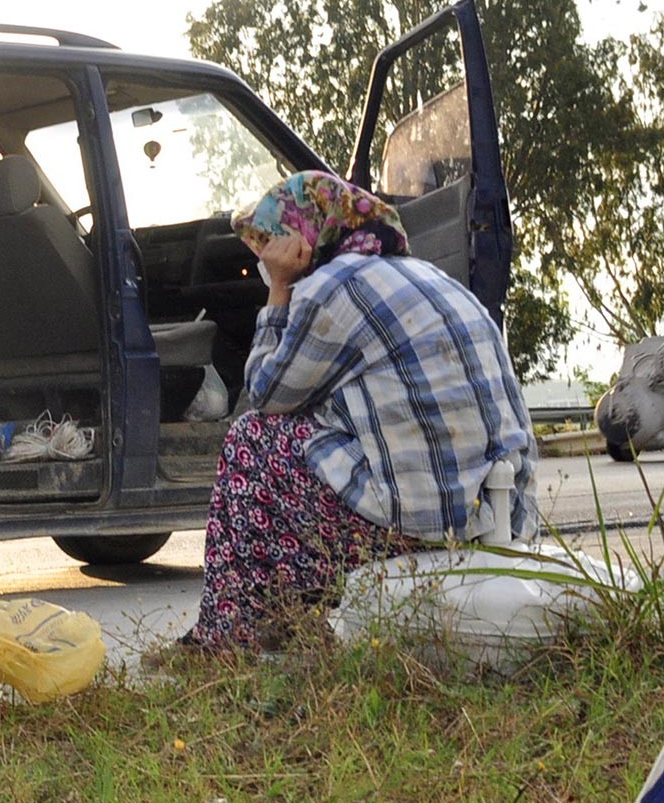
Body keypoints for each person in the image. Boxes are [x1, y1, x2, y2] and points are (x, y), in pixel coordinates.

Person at [171, 170, 536, 654]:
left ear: (300, 238)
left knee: (251, 440)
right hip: (500, 518)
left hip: (418, 532)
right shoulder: (426, 274)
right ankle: (289, 621)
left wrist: (279, 289)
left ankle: (227, 636)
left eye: (266, 246)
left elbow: (266, 392)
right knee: (311, 434)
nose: (262, 260)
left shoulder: (332, 287)